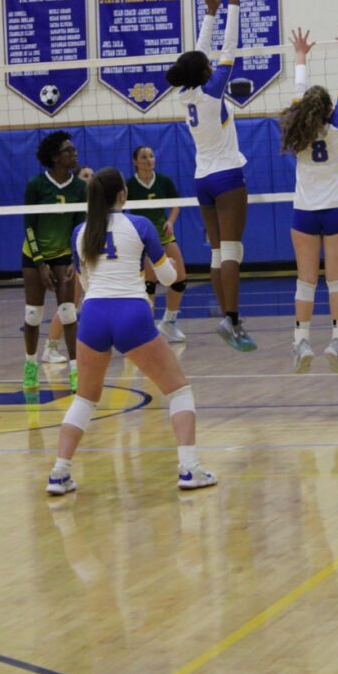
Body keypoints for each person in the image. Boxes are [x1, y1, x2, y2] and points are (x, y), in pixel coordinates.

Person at [46, 167, 217, 496]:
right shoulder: (141, 225)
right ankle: (190, 467)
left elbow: (85, 282)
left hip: (94, 314)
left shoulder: (81, 232)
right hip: (131, 313)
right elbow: (168, 279)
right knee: (179, 390)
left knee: (85, 397)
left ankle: (59, 473)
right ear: (122, 194)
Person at [165, 0, 256, 352]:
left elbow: (199, 55)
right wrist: (233, 3)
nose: (210, 65)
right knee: (232, 251)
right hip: (226, 177)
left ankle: (227, 317)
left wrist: (210, 12)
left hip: (202, 179)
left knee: (219, 252)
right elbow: (228, 49)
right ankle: (233, 320)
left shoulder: (186, 93)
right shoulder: (211, 91)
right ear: (205, 74)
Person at [279, 22, 338, 374]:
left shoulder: (296, 132)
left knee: (306, 279)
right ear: (328, 108)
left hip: (305, 213)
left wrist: (299, 55)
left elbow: (298, 91)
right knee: (337, 279)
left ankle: (300, 342)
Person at [21, 132, 87, 393]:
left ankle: (74, 370)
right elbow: (28, 226)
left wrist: (74, 258)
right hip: (34, 254)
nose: (74, 154)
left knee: (69, 312)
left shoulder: (79, 188)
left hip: (63, 254)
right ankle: (29, 366)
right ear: (54, 157)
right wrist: (40, 264)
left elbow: (79, 225)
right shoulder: (36, 185)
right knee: (33, 314)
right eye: (68, 151)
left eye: (73, 150)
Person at [126, 146, 188, 344]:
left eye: (151, 156)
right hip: (141, 238)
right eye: (144, 157)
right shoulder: (129, 185)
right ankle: (147, 328)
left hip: (163, 235)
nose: (148, 160)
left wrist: (170, 221)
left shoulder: (163, 181)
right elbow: (122, 210)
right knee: (149, 283)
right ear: (135, 161)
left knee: (180, 278)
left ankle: (169, 321)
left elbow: (176, 204)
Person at [41, 165, 94, 365]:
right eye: (85, 175)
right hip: (72, 258)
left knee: (79, 302)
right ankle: (50, 347)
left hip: (86, 258)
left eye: (92, 176)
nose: (90, 178)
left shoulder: (94, 202)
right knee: (70, 303)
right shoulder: (74, 202)